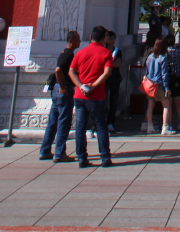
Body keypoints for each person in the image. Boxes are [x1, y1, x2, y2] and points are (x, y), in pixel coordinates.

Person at [69, 25, 115, 168]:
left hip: (80, 95)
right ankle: (105, 157)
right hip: (97, 95)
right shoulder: (106, 53)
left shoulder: (80, 52)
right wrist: (93, 86)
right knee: (100, 126)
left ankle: (82, 158)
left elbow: (71, 71)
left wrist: (81, 86)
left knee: (80, 127)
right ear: (103, 39)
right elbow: (106, 73)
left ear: (91, 37)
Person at [39, 30, 81, 162]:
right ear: (71, 40)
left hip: (56, 90)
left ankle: (45, 150)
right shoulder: (68, 54)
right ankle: (59, 153)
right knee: (64, 122)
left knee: (53, 121)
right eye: (78, 39)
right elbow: (58, 70)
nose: (79, 41)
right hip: (64, 89)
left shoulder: (64, 53)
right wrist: (63, 86)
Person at [143, 38, 172, 134]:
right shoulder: (163, 58)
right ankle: (165, 127)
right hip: (159, 84)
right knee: (166, 105)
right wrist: (166, 87)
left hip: (150, 84)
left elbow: (146, 70)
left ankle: (149, 126)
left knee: (150, 105)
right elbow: (164, 74)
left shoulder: (150, 57)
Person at [104, 30, 122, 133]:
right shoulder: (104, 50)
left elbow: (118, 64)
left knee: (113, 101)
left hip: (115, 78)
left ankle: (111, 123)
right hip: (105, 79)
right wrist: (111, 63)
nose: (112, 40)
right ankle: (104, 122)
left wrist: (109, 64)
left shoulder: (117, 51)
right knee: (104, 101)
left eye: (114, 38)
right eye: (110, 38)